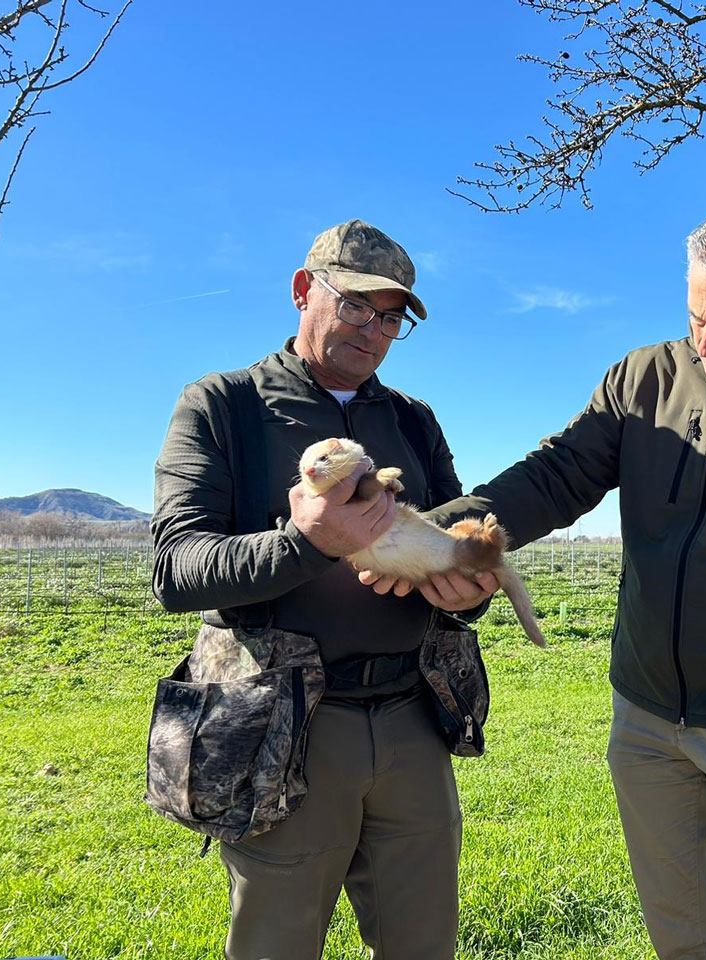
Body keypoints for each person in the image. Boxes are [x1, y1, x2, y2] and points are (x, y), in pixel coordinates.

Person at [374, 202, 706, 959]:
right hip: (644, 721)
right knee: (680, 937)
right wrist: (429, 537)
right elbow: (555, 476)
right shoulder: (645, 378)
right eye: (695, 317)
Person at [151, 219, 496, 960]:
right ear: (305, 291)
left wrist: (470, 591)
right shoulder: (224, 405)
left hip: (412, 716)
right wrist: (304, 544)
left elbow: (460, 541)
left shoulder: (413, 420)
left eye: (392, 316)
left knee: (423, 943)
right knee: (278, 944)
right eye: (356, 306)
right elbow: (175, 569)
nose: (374, 330)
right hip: (285, 724)